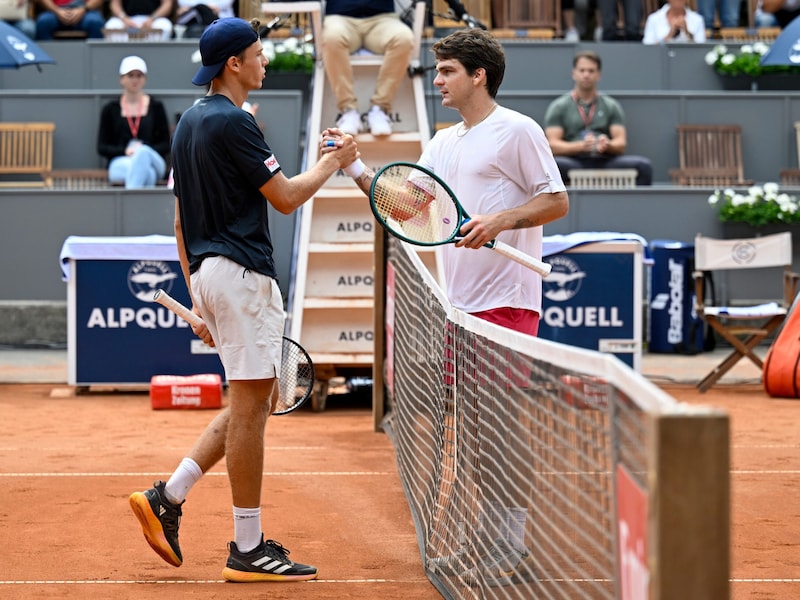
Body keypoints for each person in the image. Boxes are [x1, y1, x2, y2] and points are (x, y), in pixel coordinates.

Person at [321, 27, 569, 587]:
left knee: (501, 427)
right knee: (477, 428)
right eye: (436, 71)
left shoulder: (517, 131)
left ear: (478, 75)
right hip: (458, 308)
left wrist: (501, 221)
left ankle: (511, 541)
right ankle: (494, 536)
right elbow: (406, 204)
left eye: (447, 71)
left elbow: (556, 200)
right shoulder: (443, 142)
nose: (436, 81)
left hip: (507, 302)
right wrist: (357, 168)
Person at [128, 17, 357, 582]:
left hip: (209, 273)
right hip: (242, 276)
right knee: (254, 408)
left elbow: (181, 223)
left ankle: (168, 495)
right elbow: (284, 198)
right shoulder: (237, 123)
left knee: (252, 399)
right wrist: (334, 161)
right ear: (234, 64)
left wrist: (200, 296)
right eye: (258, 54)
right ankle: (248, 547)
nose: (265, 62)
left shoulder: (185, 124)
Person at [544, 51, 653, 186]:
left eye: (591, 71)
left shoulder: (611, 105)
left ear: (598, 75)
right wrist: (580, 146)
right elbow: (552, 145)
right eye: (582, 70)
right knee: (550, 167)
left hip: (604, 159)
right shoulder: (559, 106)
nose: (586, 75)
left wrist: (608, 144)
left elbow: (621, 143)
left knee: (643, 167)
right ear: (574, 73)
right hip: (573, 160)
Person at [321, 0, 414, 136]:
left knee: (403, 39)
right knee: (331, 38)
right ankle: (348, 110)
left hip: (383, 19)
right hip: (340, 19)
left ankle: (379, 109)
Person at [97, 56, 171, 188]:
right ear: (122, 79)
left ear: (145, 79)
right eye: (130, 75)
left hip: (153, 159)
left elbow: (166, 143)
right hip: (122, 161)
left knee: (143, 153)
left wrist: (144, 150)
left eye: (139, 75)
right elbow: (102, 147)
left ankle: (129, 202)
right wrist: (125, 151)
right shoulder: (110, 109)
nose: (135, 80)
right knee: (147, 174)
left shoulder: (156, 107)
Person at [103, 0, 174, 40]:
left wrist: (152, 18)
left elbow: (167, 4)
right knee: (111, 26)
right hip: (127, 19)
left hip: (153, 19)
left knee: (165, 26)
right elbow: (114, 4)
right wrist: (124, 18)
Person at [643, 0, 707, 44]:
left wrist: (687, 33)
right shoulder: (653, 19)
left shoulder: (698, 20)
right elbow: (647, 49)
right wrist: (669, 35)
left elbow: (701, 49)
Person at [34, 0, 104, 39]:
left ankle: (96, 61)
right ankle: (46, 63)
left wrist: (83, 9)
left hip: (85, 10)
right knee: (43, 22)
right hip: (55, 10)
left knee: (95, 22)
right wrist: (56, 10)